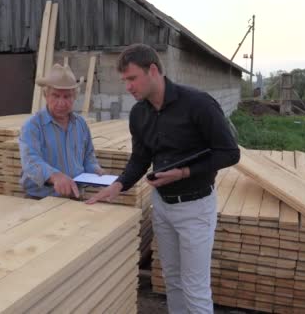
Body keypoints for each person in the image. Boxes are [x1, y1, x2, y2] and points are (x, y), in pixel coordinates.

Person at [86, 44, 240, 313]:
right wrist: (117, 186)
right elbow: (140, 158)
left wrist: (184, 173)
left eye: (132, 78)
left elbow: (229, 153)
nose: (128, 87)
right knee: (172, 279)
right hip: (163, 206)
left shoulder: (198, 104)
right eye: (125, 81)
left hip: (195, 208)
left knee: (195, 286)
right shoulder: (139, 113)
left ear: (153, 70)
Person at [19, 63, 104, 199]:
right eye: (56, 96)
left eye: (67, 97)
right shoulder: (33, 126)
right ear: (45, 95)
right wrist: (54, 176)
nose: (61, 103)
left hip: (75, 197)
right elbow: (30, 161)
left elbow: (88, 155)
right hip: (40, 200)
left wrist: (94, 169)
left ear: (74, 97)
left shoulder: (80, 124)